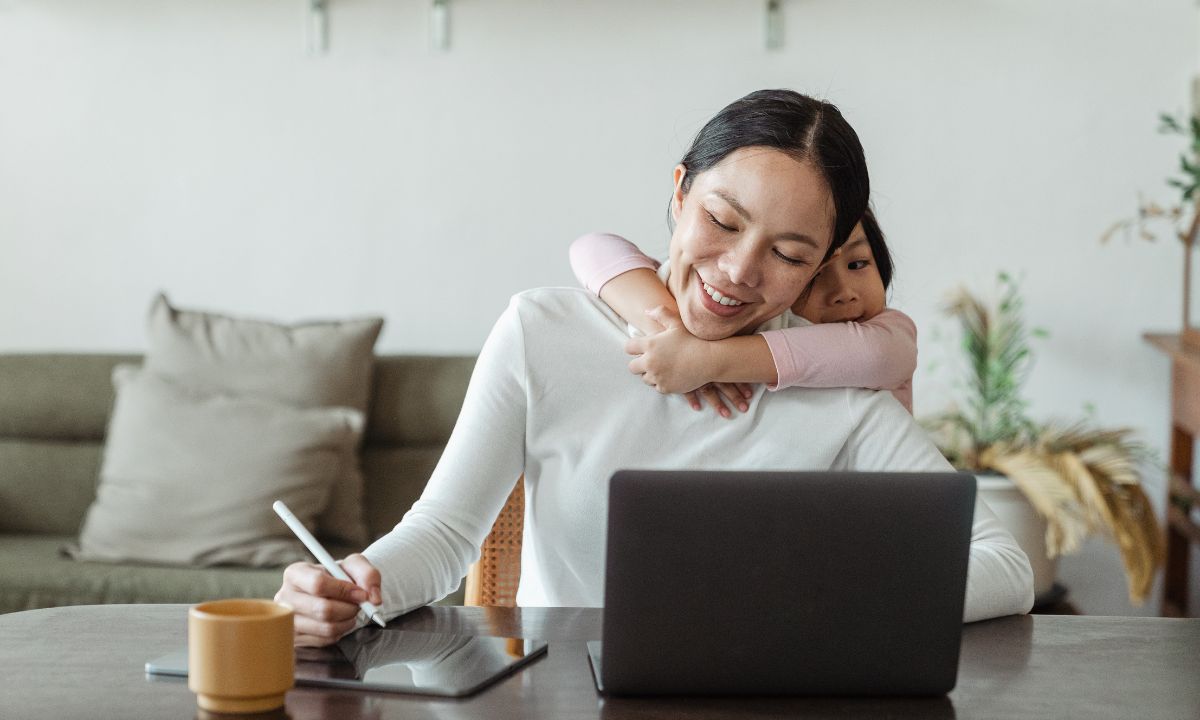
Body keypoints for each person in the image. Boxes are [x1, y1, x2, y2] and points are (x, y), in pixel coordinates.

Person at [275, 89, 1034, 646]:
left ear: (820, 268)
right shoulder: (544, 333)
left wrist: (835, 599)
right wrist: (350, 584)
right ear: (679, 194)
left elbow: (1005, 566)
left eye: (789, 254)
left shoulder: (838, 389)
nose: (738, 271)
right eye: (722, 221)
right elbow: (443, 536)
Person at [568, 208, 916, 416]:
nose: (844, 294)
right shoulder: (754, 319)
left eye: (858, 264)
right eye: (814, 276)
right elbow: (593, 247)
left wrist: (707, 359)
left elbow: (877, 354)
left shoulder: (889, 333)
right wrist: (670, 331)